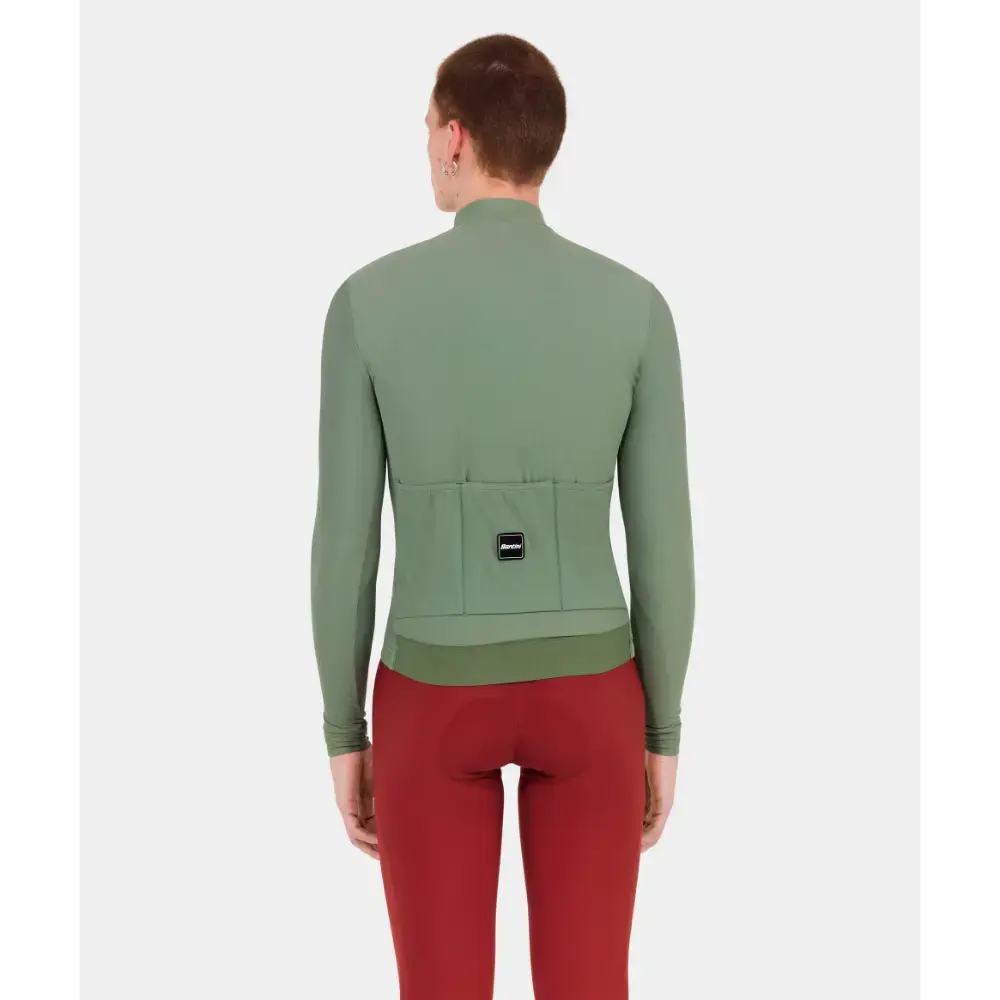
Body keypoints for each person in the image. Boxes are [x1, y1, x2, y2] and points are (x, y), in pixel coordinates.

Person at [311, 34, 695, 1000]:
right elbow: (665, 546)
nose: (426, 152)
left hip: (431, 692)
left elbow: (344, 545)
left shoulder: (365, 305)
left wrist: (343, 729)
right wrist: (662, 729)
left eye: (425, 133)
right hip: (594, 692)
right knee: (590, 985)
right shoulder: (637, 308)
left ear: (455, 137)